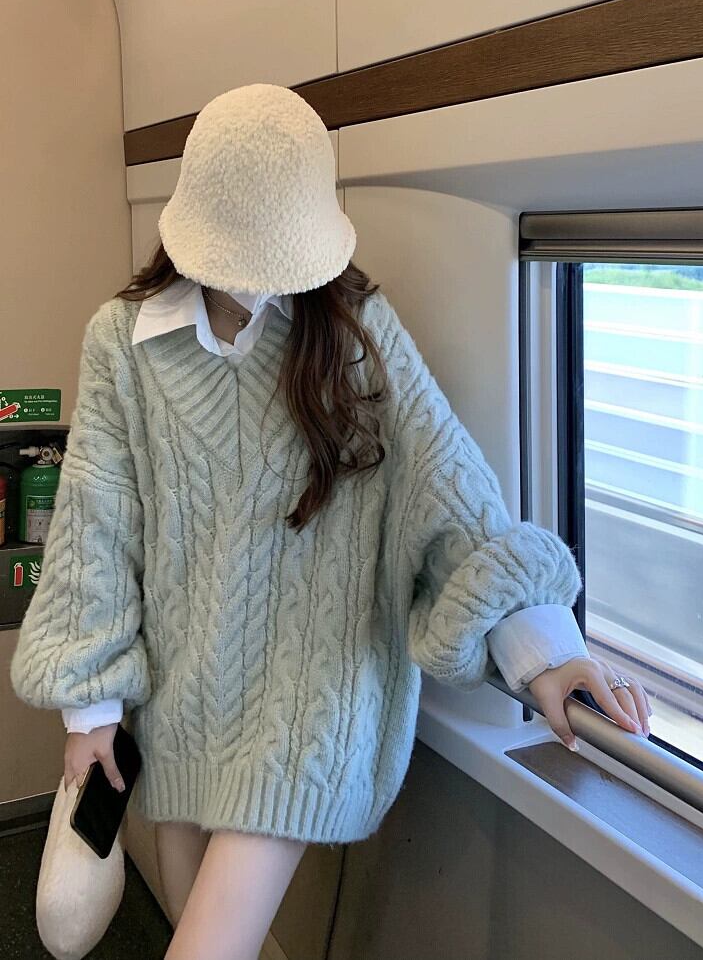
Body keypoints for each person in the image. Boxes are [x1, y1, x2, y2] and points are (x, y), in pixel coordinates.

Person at [10, 83, 651, 960]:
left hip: (313, 699)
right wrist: (90, 715)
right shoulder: (120, 343)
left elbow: (448, 487)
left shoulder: (355, 331)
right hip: (180, 688)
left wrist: (544, 648)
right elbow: (95, 522)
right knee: (194, 915)